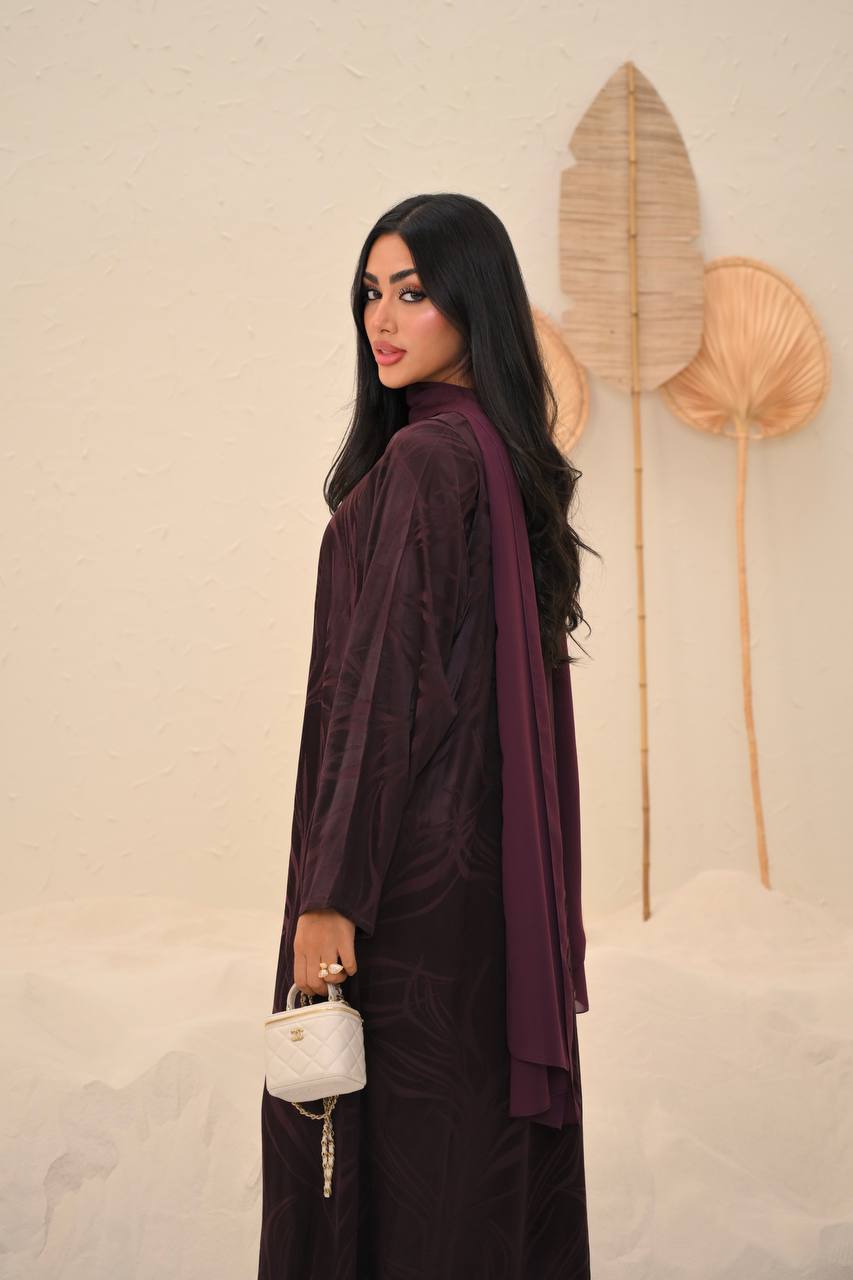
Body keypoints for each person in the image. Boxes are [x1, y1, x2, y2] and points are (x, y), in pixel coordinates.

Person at [257, 193, 599, 1279]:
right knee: (461, 1159)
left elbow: (383, 688)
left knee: (388, 1164)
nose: (383, 317)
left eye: (413, 291)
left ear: (473, 302)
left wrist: (330, 892)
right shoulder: (496, 452)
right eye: (371, 292)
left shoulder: (426, 462)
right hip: (482, 892)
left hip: (399, 892)